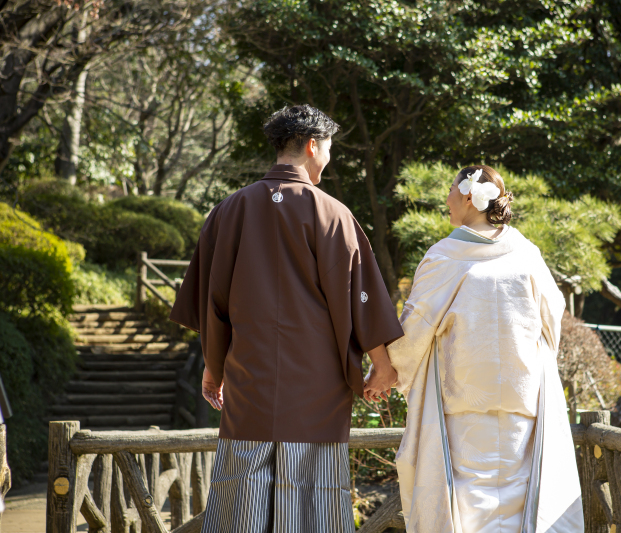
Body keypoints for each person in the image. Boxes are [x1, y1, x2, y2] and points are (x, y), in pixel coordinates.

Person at [169, 104, 403, 533]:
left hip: (249, 382)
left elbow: (212, 304)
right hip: (317, 388)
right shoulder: (332, 213)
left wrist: (214, 368)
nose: (329, 156)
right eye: (328, 147)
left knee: (241, 501)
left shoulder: (229, 210)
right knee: (314, 502)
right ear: (313, 146)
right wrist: (382, 366)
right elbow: (360, 298)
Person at [385, 165, 584, 532]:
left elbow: (416, 326)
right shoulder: (526, 253)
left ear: (467, 196)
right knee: (521, 500)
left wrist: (386, 370)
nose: (446, 199)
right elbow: (552, 317)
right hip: (522, 400)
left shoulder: (445, 257)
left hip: (463, 402)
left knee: (467, 505)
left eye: (450, 190)